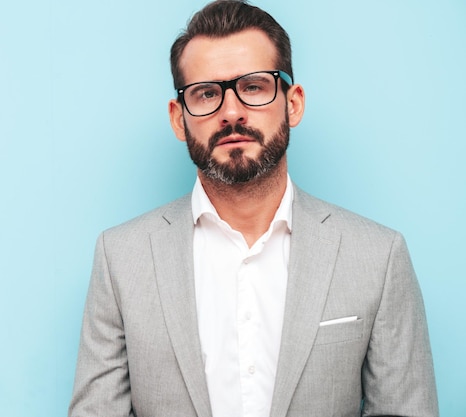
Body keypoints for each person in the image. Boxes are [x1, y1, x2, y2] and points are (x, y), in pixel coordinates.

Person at [68, 1, 438, 416]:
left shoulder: (378, 256)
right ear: (178, 118)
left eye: (254, 86)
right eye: (206, 93)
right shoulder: (120, 258)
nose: (231, 112)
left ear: (293, 103)